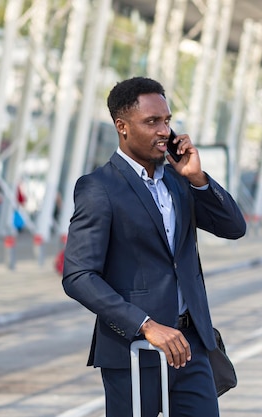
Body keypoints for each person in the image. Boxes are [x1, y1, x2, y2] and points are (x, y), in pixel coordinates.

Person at [62, 77, 246, 417]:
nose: (164, 131)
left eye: (167, 120)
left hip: (192, 345)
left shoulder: (179, 180)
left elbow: (234, 227)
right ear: (123, 127)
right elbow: (78, 275)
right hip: (135, 348)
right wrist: (145, 324)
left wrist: (198, 178)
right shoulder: (99, 188)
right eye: (152, 122)